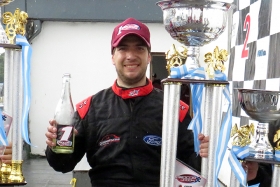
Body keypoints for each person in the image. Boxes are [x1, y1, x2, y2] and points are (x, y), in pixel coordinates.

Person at [45, 17, 209, 187]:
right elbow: (62, 165)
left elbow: (192, 169)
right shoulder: (89, 109)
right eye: (123, 49)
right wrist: (54, 148)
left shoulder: (175, 109)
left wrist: (205, 155)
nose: (131, 56)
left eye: (139, 48)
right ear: (112, 57)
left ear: (149, 57)